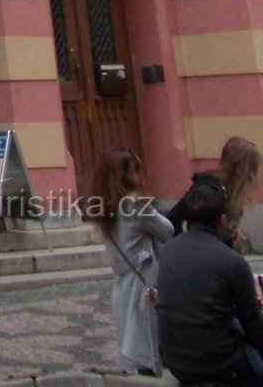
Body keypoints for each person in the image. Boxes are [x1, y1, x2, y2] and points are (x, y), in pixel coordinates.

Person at [156, 180, 263, 385]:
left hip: (176, 361)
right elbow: (253, 326)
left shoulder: (169, 250)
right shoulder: (231, 261)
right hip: (220, 364)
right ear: (222, 220)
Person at [85, 145, 173, 376]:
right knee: (149, 348)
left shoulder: (105, 206)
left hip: (124, 285)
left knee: (134, 347)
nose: (140, 176)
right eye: (136, 170)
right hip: (143, 284)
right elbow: (168, 229)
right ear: (124, 175)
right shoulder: (134, 204)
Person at [167, 136, 261, 251]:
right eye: (252, 171)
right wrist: (183, 248)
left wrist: (232, 232)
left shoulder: (227, 190)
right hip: (206, 258)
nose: (255, 178)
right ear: (241, 170)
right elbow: (172, 219)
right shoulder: (207, 191)